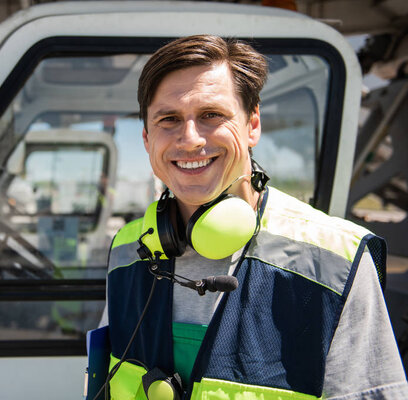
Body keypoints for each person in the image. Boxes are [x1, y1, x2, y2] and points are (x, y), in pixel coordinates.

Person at [97, 35, 408, 399]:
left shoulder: (334, 260)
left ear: (253, 125)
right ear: (148, 138)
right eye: (169, 119)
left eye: (211, 115)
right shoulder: (128, 249)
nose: (190, 138)